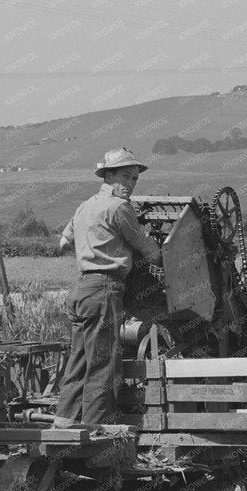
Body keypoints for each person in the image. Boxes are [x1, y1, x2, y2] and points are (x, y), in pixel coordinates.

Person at [52, 148, 163, 427]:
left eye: (135, 178)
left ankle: (64, 424)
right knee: (104, 364)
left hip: (80, 291)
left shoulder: (85, 205)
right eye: (125, 176)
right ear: (108, 175)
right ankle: (95, 431)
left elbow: (63, 243)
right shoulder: (119, 207)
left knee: (78, 361)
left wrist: (94, 242)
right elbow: (150, 252)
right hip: (104, 288)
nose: (130, 183)